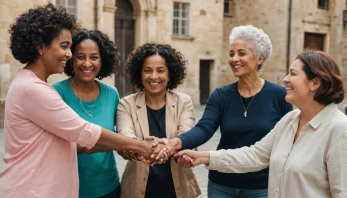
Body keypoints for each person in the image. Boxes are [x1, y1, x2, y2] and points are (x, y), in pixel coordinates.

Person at [0, 4, 155, 198]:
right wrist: (141, 146)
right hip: (31, 189)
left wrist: (127, 145)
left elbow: (80, 145)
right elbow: (84, 132)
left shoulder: (29, 84)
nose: (69, 54)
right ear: (40, 47)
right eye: (64, 47)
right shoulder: (33, 89)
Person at [175, 50, 347, 198]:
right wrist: (204, 157)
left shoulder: (339, 129)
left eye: (293, 74)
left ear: (315, 83)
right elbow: (254, 155)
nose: (285, 79)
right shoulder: (289, 121)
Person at [155, 25, 293, 198]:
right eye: (231, 54)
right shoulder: (221, 95)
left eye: (241, 53)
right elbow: (204, 129)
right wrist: (174, 143)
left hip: (262, 186)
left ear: (260, 58)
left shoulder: (279, 95)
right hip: (222, 185)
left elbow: (287, 142)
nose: (234, 59)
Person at [116, 43, 201, 198]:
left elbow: (187, 134)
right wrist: (143, 148)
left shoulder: (184, 102)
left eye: (160, 70)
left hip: (179, 189)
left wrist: (167, 147)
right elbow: (125, 136)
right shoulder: (126, 104)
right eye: (147, 70)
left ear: (169, 75)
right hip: (137, 189)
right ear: (139, 74)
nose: (154, 76)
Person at [52, 29, 121, 198]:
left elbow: (120, 135)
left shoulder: (111, 94)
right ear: (70, 58)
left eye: (94, 57)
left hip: (109, 187)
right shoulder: (56, 93)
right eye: (80, 56)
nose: (87, 64)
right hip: (69, 190)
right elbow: (55, 145)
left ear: (103, 60)